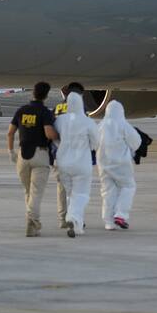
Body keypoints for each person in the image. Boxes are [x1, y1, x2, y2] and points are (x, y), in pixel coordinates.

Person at [8, 81, 59, 237]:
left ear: (33, 93)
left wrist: (11, 151)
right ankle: (33, 221)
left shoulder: (22, 111)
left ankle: (32, 223)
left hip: (22, 155)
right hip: (40, 155)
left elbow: (10, 133)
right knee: (36, 193)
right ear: (46, 95)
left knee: (28, 192)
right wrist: (60, 137)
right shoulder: (45, 112)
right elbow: (49, 133)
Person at [54, 92, 99, 238]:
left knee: (70, 194)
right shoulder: (87, 122)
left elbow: (54, 138)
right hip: (81, 163)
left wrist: (62, 146)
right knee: (81, 194)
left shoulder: (60, 120)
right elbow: (96, 143)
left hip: (63, 162)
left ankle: (76, 224)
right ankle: (73, 218)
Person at [97, 100, 141, 230]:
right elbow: (136, 141)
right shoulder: (123, 124)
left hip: (103, 163)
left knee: (107, 191)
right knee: (128, 187)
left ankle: (108, 222)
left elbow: (93, 143)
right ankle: (120, 215)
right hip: (121, 163)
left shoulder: (100, 125)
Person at [53, 82, 86, 228]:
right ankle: (75, 218)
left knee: (62, 188)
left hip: (59, 152)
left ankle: (62, 219)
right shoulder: (79, 109)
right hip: (76, 154)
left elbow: (51, 129)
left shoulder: (57, 108)